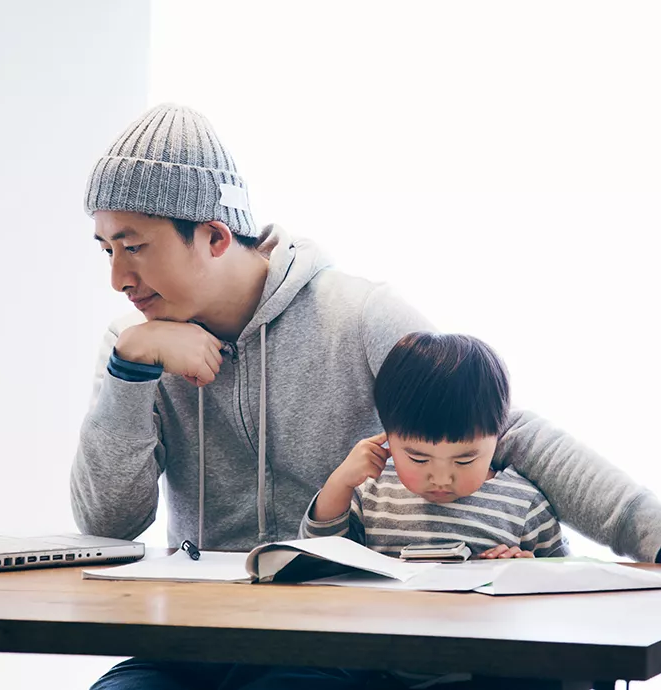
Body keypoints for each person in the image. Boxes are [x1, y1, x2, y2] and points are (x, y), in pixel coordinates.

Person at [71, 103, 661, 690]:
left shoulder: (356, 316)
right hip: (189, 638)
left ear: (214, 236)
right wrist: (129, 373)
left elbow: (499, 429)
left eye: (134, 246)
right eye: (106, 249)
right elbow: (108, 525)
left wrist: (651, 532)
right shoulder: (135, 346)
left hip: (331, 639)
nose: (118, 277)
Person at [300, 331, 570, 559]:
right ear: (388, 437)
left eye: (464, 460)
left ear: (497, 437)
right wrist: (339, 484)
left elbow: (569, 590)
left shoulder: (524, 505)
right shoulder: (371, 492)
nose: (441, 478)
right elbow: (314, 559)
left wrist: (531, 573)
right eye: (419, 459)